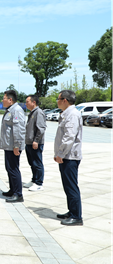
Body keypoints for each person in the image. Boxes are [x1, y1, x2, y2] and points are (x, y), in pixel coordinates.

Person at [54, 90, 83, 226]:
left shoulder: (72, 114)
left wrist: (61, 153)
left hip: (69, 156)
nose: (57, 101)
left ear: (64, 100)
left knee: (71, 186)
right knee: (67, 186)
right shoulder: (67, 114)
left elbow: (69, 137)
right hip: (67, 155)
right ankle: (72, 211)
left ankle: (77, 216)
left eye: (58, 99)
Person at [0, 90, 26, 203]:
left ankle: (18, 194)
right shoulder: (10, 110)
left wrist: (17, 145)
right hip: (9, 145)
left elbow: (19, 129)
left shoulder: (17, 110)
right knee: (9, 168)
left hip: (13, 146)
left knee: (14, 169)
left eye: (4, 98)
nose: (2, 100)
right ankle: (13, 189)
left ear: (10, 100)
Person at [24, 95, 46, 192]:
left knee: (37, 163)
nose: (26, 104)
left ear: (34, 102)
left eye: (27, 101)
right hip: (29, 142)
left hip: (35, 143)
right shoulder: (32, 113)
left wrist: (36, 140)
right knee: (32, 163)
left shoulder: (38, 112)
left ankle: (39, 183)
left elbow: (41, 129)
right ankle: (34, 180)